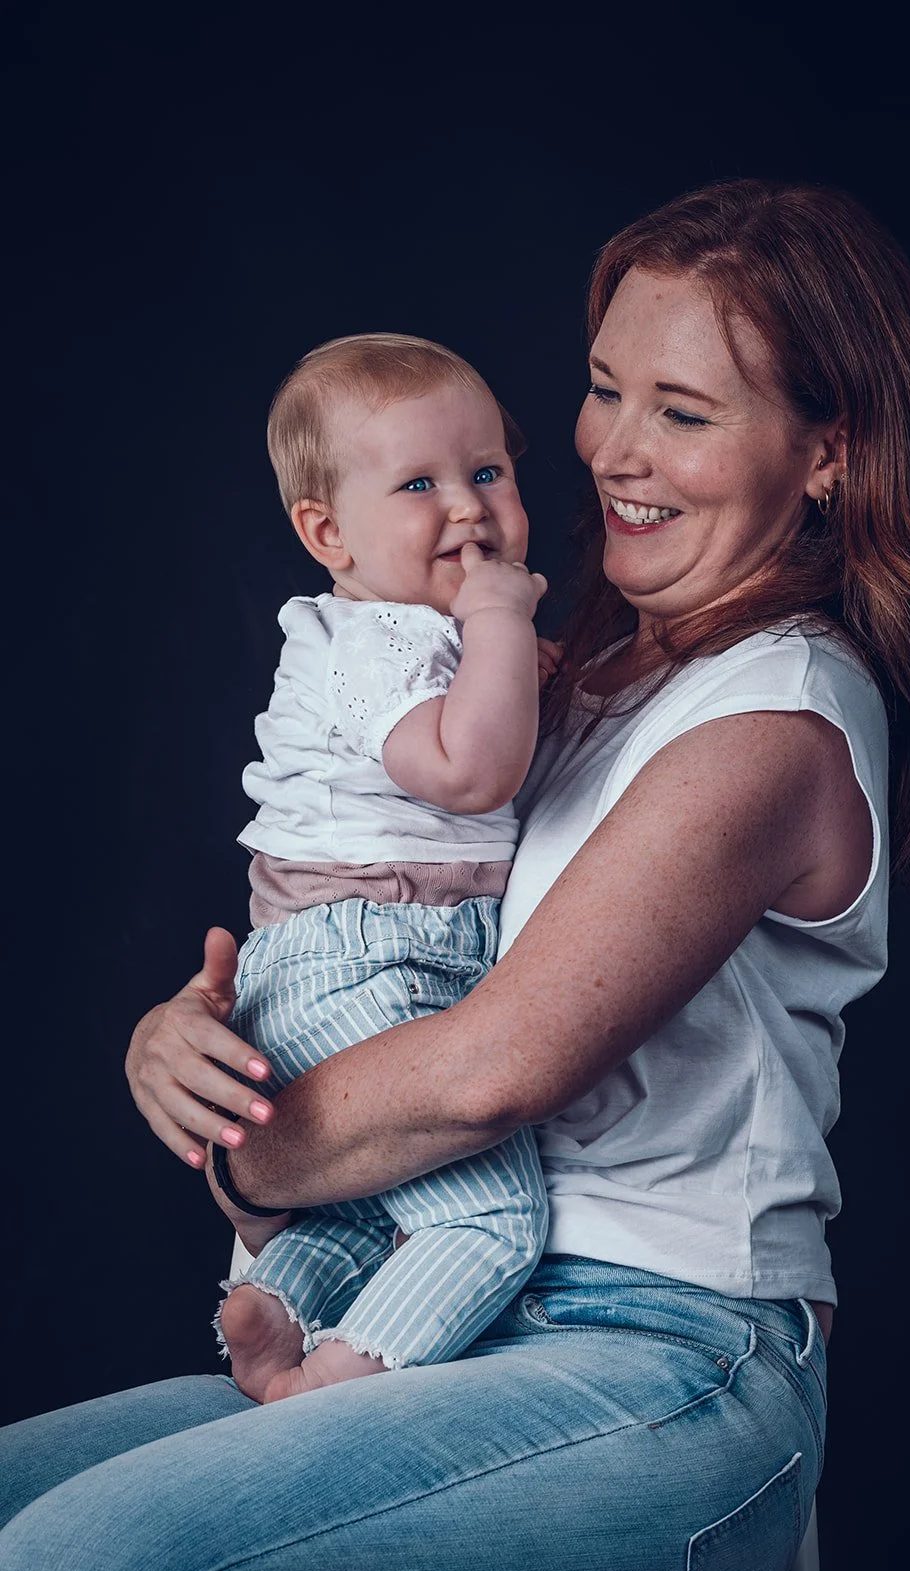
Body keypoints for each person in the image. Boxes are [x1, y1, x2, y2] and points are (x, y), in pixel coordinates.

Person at [0, 179, 910, 1571]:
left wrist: (241, 1146)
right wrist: (191, 1047)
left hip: (664, 1353)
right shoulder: (575, 674)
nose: (613, 449)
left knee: (87, 1562)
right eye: (604, 389)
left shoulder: (774, 716)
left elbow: (490, 1073)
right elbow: (389, 927)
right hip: (438, 1306)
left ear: (826, 453)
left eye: (682, 411)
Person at [207, 332, 554, 1404]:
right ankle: (334, 1384)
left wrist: (499, 650)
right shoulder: (374, 642)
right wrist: (499, 623)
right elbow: (469, 771)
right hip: (373, 946)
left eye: (486, 471)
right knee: (491, 1218)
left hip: (348, 955)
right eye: (418, 485)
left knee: (368, 1207)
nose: (467, 509)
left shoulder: (408, 633)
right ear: (328, 534)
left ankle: (279, 1308)